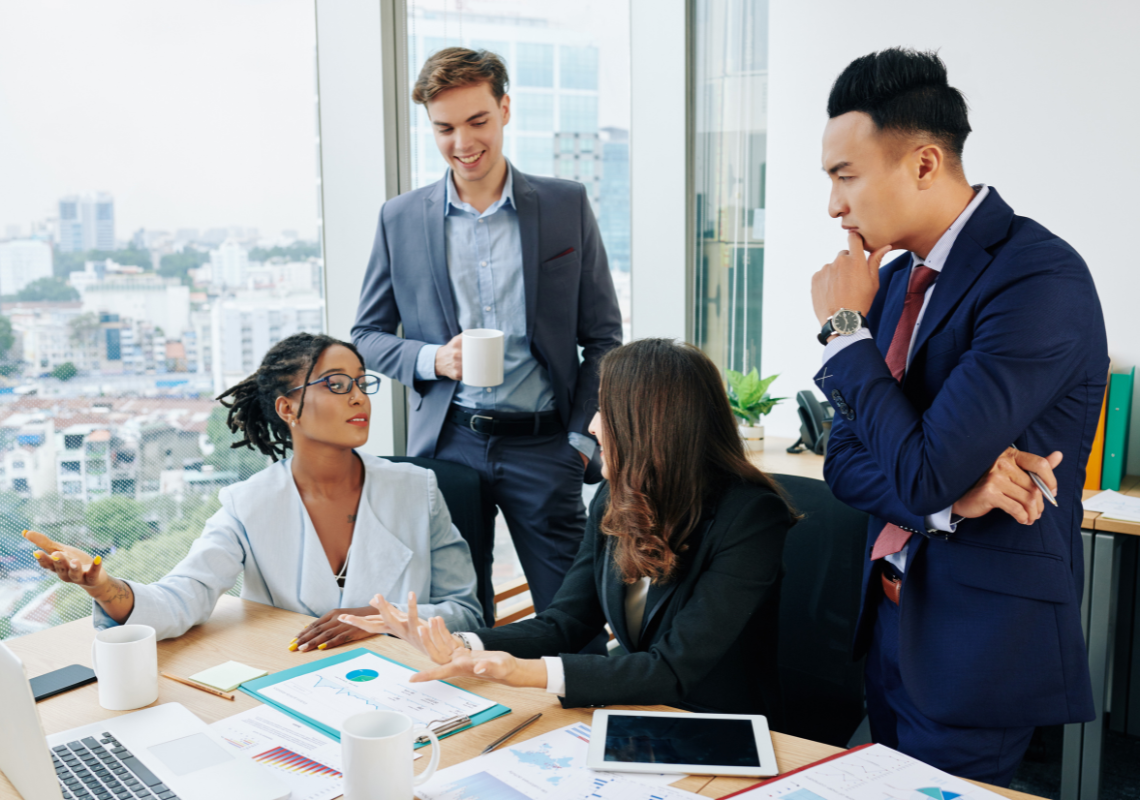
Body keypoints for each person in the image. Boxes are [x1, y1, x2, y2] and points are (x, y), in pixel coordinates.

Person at [808, 49, 1106, 784]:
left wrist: (845, 332)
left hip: (978, 644)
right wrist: (950, 501)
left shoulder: (1039, 277)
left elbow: (923, 468)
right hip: (889, 620)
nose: (834, 207)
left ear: (923, 163)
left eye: (845, 176)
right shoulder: (895, 282)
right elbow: (845, 463)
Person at [339, 339, 795, 717]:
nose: (594, 424)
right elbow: (566, 622)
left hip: (717, 722)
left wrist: (521, 672)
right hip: (636, 707)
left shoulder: (751, 518)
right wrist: (459, 643)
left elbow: (672, 669)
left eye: (606, 409)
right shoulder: (618, 496)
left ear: (653, 426)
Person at [351, 47, 623, 619]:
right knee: (460, 619)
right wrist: (433, 359)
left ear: (504, 109)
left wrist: (578, 443)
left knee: (575, 616)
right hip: (449, 447)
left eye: (477, 121)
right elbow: (368, 335)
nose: (462, 142)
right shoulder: (399, 219)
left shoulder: (564, 204)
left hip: (546, 447)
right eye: (444, 128)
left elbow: (603, 337)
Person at [26, 333, 483, 649]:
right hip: (298, 683)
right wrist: (106, 588)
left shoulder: (417, 490)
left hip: (409, 683)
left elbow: (467, 611)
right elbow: (185, 595)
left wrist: (383, 620)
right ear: (288, 408)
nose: (359, 397)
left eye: (362, 383)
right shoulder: (248, 505)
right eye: (337, 385)